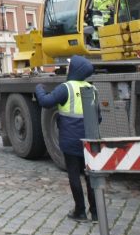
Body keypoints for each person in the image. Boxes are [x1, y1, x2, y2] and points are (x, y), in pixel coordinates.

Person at [35, 55, 98, 222]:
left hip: (70, 140)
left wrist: (39, 88)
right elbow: (98, 118)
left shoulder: (66, 88)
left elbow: (46, 102)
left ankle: (80, 211)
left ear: (74, 70)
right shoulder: (92, 89)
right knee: (91, 176)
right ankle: (96, 212)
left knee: (74, 175)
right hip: (90, 141)